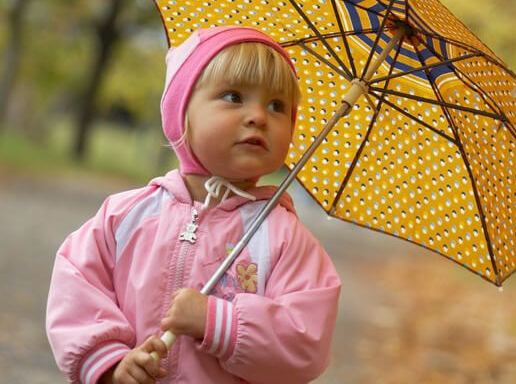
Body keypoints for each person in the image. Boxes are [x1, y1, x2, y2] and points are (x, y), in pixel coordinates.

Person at [45, 26, 341, 384]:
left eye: (277, 106)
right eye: (234, 97)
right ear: (181, 110)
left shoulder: (284, 240)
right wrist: (110, 364)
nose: (259, 116)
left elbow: (305, 342)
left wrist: (217, 323)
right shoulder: (125, 215)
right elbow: (77, 285)